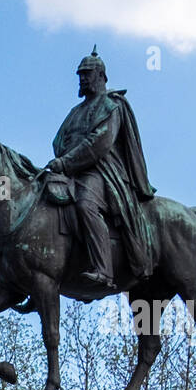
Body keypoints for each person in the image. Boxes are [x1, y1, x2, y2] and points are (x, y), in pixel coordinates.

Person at [46, 48, 157, 290]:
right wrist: (61, 160)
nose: (82, 79)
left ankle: (103, 269)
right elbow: (58, 141)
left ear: (101, 75)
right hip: (71, 170)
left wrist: (66, 161)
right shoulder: (75, 112)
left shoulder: (112, 105)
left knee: (86, 204)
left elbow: (99, 144)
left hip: (102, 172)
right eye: (80, 75)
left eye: (87, 74)